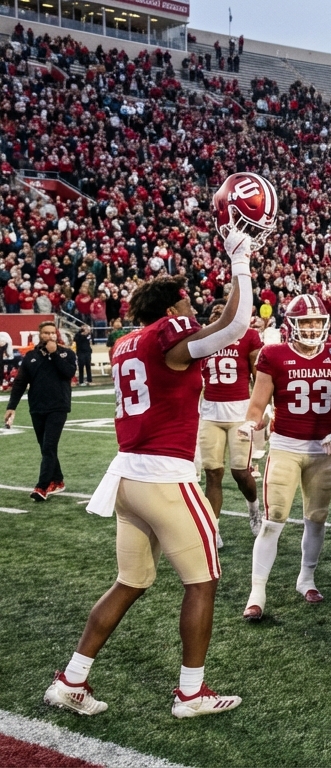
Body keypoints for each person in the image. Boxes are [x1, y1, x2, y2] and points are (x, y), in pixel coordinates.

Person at [43, 214, 256, 719]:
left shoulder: (124, 344)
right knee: (202, 580)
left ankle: (71, 679)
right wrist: (240, 261)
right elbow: (236, 325)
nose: (194, 309)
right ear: (171, 308)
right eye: (186, 302)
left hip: (128, 476)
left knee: (131, 581)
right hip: (164, 476)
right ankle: (191, 693)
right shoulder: (169, 331)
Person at [240, 295, 331, 620]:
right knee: (274, 518)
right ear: (292, 325)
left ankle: (307, 578)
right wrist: (252, 423)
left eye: (317, 321)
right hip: (286, 446)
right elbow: (257, 404)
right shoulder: (274, 354)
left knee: (316, 518)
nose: (312, 327)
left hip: (323, 450)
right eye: (305, 322)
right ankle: (257, 592)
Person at [197, 302, 264, 544]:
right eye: (213, 312)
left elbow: (261, 376)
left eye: (221, 311)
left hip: (239, 414)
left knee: (240, 472)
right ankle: (213, 529)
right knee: (212, 473)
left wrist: (263, 409)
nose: (216, 314)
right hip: (210, 414)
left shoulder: (249, 336)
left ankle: (254, 510)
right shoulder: (203, 339)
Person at [5, 320, 76, 500]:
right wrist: (11, 406)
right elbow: (20, 382)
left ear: (56, 335)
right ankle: (58, 480)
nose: (50, 335)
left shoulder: (66, 354)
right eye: (46, 333)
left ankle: (42, 486)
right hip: (36, 407)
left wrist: (54, 354)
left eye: (53, 332)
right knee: (46, 448)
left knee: (49, 446)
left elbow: (68, 373)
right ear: (40, 335)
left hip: (58, 406)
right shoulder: (30, 356)